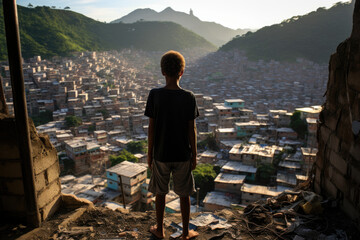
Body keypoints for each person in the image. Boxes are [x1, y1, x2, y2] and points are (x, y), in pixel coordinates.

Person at [145, 50, 199, 240]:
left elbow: (151, 128)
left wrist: (149, 154)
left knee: (160, 193)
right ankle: (185, 233)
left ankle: (160, 230)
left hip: (161, 154)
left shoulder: (155, 95)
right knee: (184, 195)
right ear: (182, 72)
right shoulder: (189, 97)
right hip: (183, 154)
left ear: (163, 72)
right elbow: (191, 129)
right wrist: (195, 155)